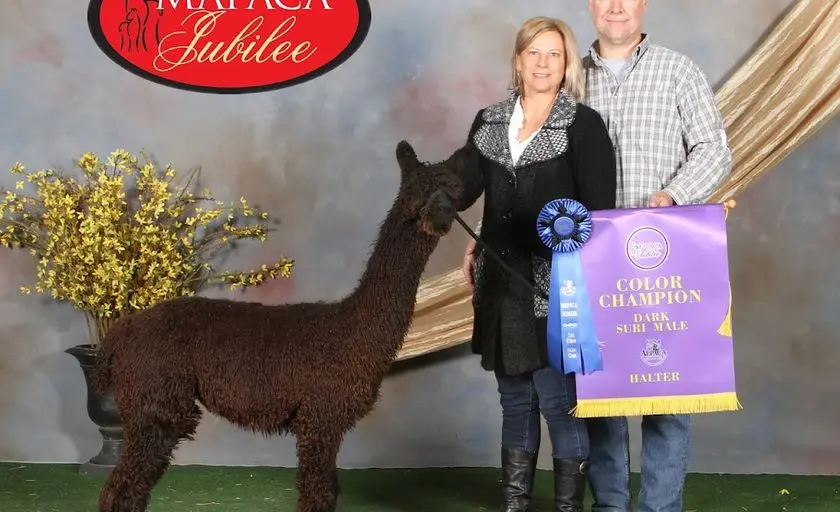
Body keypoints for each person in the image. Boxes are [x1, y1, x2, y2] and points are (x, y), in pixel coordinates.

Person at [461, 2, 733, 511]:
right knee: (598, 393)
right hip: (585, 261)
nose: (615, 7)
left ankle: (657, 509)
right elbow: (519, 172)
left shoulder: (677, 70)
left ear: (642, 5)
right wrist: (483, 230)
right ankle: (608, 506)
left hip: (658, 255)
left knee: (665, 397)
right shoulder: (567, 72)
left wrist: (673, 193)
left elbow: (715, 148)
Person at [451, 16, 617, 512]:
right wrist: (430, 188)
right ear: (518, 60)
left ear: (566, 65)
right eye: (533, 53)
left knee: (560, 406)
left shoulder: (583, 125)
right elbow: (465, 188)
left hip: (556, 287)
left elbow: (598, 211)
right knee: (514, 400)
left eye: (554, 54)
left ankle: (567, 507)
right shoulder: (489, 121)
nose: (543, 63)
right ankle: (515, 503)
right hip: (499, 284)